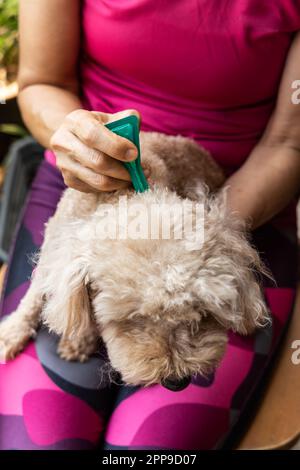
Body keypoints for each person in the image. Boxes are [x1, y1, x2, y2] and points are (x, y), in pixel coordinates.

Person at [0, 0, 300, 450]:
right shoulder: (75, 251)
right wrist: (76, 139)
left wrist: (206, 236)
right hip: (85, 187)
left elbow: (289, 141)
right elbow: (42, 81)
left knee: (154, 451)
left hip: (238, 202)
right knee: (38, 441)